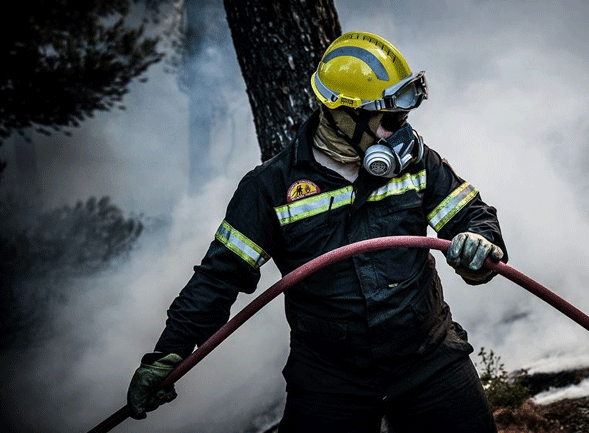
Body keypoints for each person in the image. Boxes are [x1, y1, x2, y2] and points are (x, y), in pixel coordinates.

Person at [127, 31, 507, 433]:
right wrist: (168, 352)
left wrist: (481, 246)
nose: (400, 133)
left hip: (429, 359)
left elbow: (473, 215)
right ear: (342, 114)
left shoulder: (417, 163)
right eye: (390, 120)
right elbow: (218, 279)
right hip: (330, 380)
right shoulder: (269, 188)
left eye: (404, 119)